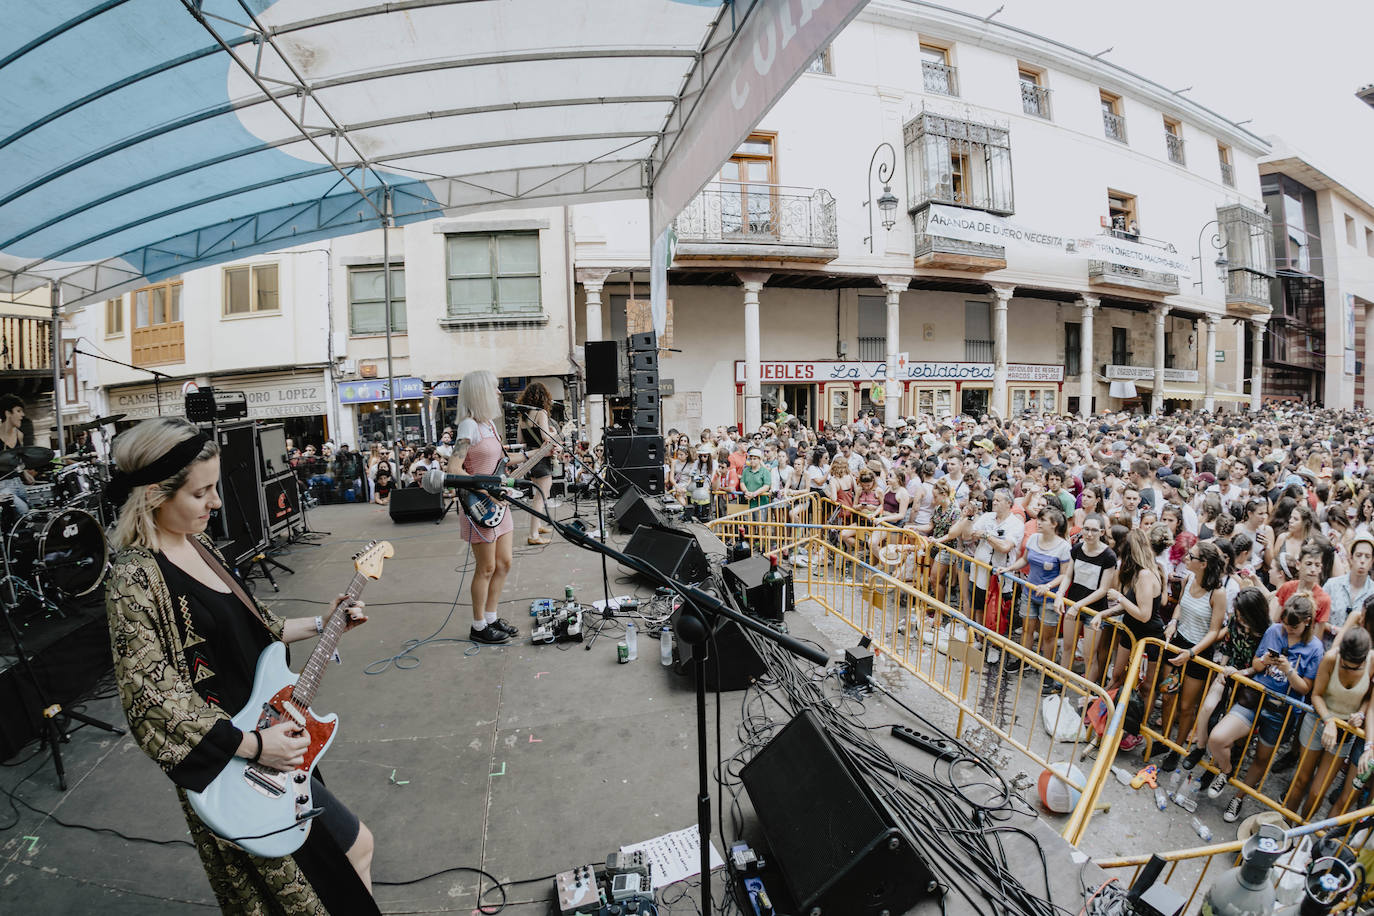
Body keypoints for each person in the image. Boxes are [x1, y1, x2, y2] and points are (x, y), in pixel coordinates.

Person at [104, 417, 378, 913]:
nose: (216, 502)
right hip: (237, 766)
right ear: (152, 495)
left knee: (349, 857)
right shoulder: (134, 577)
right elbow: (150, 701)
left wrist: (324, 621)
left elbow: (259, 628)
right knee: (336, 865)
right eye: (201, 492)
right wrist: (253, 746)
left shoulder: (201, 546)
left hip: (277, 740)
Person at [445, 370, 519, 644]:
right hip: (479, 506)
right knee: (486, 568)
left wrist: (541, 452)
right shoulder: (468, 427)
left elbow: (501, 463)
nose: (499, 393)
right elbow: (454, 469)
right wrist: (486, 489)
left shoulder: (488, 424)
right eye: (495, 388)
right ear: (480, 392)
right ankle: (478, 627)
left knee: (504, 563)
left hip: (498, 502)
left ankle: (491, 617)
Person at [1284, 628, 1372, 819]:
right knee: (1300, 781)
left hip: (1345, 732)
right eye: (1346, 666)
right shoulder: (1331, 658)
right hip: (1317, 721)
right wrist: (1329, 720)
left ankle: (1300, 834)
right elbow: (1315, 695)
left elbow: (1368, 700)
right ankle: (1285, 828)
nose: (1350, 670)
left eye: (1355, 667)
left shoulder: (1372, 662)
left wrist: (1361, 714)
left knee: (1317, 792)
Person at [1156, 541, 1228, 771]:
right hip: (1177, 642)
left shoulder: (1218, 592)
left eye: (1192, 556)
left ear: (1204, 564)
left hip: (1198, 652)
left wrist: (1191, 653)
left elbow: (1215, 631)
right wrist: (1174, 622)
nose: (1186, 558)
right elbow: (1179, 607)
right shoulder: (1188, 579)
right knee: (1167, 695)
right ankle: (1164, 739)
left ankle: (1176, 749)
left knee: (1186, 706)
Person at [516, 381, 560, 546]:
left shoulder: (523, 415)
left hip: (530, 458)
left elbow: (520, 440)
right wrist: (554, 431)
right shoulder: (541, 412)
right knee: (540, 497)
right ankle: (533, 534)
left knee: (539, 494)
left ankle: (538, 525)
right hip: (541, 457)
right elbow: (545, 438)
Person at [0, 393, 34, 513]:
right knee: (23, 511)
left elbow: (19, 459)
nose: (22, 415)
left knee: (32, 514)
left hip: (18, 484)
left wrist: (25, 473)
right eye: (18, 411)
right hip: (2, 487)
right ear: (8, 413)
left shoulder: (19, 434)